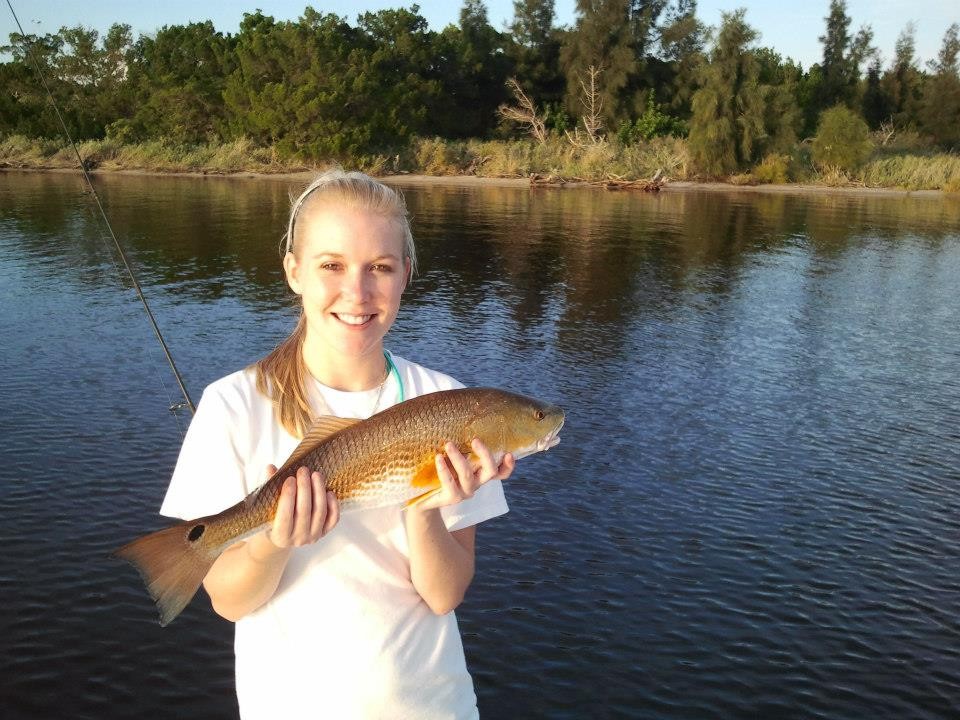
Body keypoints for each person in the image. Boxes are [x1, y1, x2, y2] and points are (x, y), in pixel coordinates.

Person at [159, 169, 514, 719]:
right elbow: (229, 602)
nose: (358, 291)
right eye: (332, 265)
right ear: (293, 271)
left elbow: (444, 595)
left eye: (381, 267)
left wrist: (423, 508)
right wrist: (272, 542)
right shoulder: (232, 404)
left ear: (406, 276)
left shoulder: (448, 402)